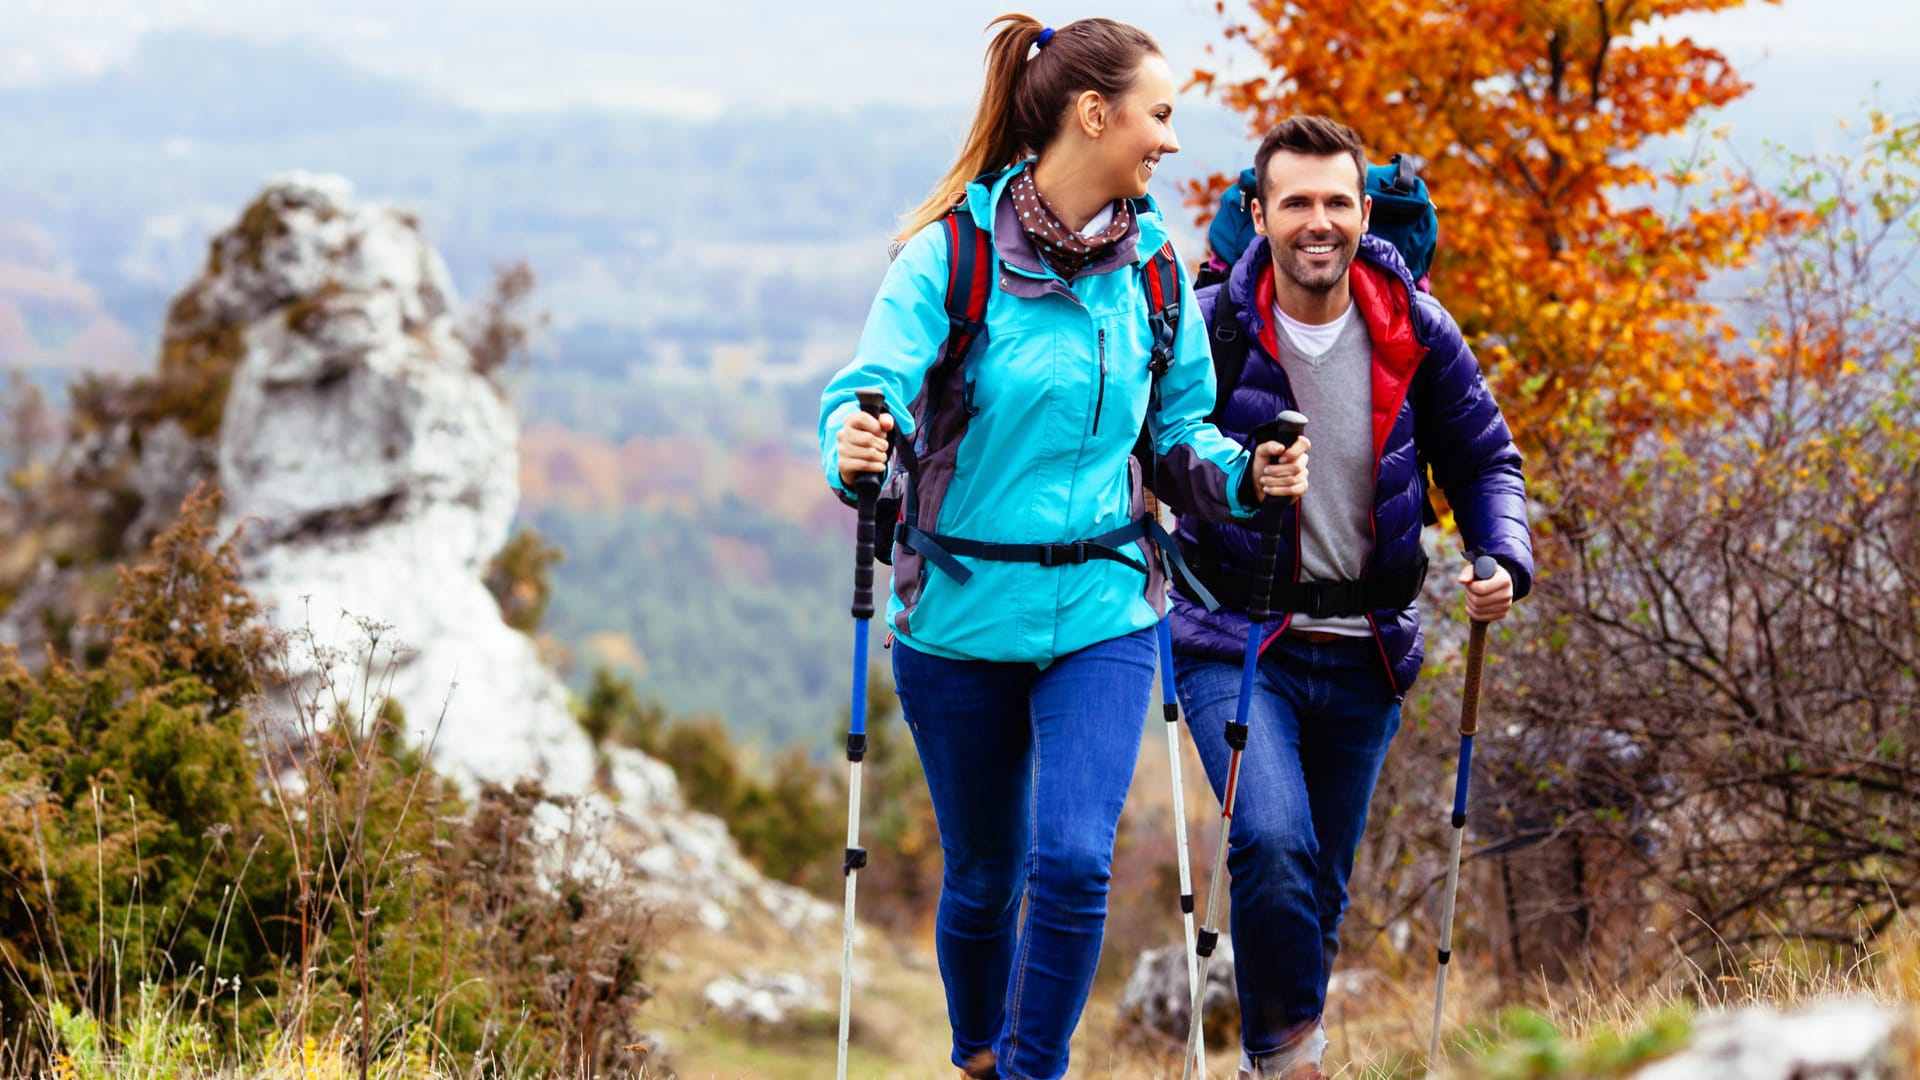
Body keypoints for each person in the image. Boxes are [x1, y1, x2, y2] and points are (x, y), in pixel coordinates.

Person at [818, 15, 1308, 1079]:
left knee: (1076, 861)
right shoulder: (950, 256)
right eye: (1160, 115)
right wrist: (854, 442)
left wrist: (1243, 473)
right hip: (957, 614)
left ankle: (1037, 1073)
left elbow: (1179, 436)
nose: (1171, 142)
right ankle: (979, 1057)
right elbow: (870, 392)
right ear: (1096, 114)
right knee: (987, 874)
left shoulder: (1156, 271)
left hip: (1105, 610)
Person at [1164, 116, 1533, 1080]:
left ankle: (1276, 1056)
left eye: (1336, 202)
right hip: (1236, 636)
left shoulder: (1415, 325)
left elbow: (1486, 457)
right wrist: (1237, 478)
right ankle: (1292, 1063)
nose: (1317, 222)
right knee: (1273, 840)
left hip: (1369, 641)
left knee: (1319, 886)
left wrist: (1503, 555)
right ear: (1260, 214)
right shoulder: (1211, 329)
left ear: (1366, 212)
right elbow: (1160, 458)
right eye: (1296, 203)